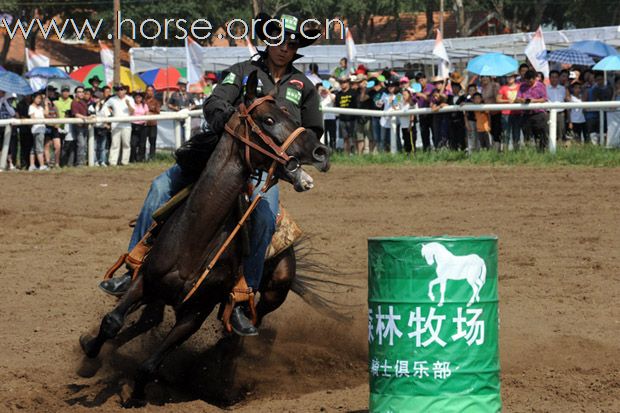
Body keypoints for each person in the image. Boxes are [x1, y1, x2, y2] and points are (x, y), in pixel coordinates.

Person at [99, 12, 324, 337]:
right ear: (268, 40)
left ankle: (244, 295)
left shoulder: (304, 87)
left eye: (290, 44)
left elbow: (312, 132)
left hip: (265, 171)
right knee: (160, 186)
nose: (283, 49)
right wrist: (232, 122)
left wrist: (297, 161)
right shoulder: (243, 72)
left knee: (264, 215)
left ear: (297, 48)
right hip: (220, 159)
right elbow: (215, 103)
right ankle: (134, 265)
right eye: (277, 41)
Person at [515, 70, 548, 150]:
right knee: (527, 136)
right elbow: (517, 98)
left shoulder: (540, 86)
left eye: (530, 80)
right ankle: (530, 153)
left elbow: (544, 99)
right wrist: (522, 100)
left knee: (540, 135)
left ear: (534, 79)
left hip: (538, 114)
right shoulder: (522, 86)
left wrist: (533, 100)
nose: (528, 82)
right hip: (526, 114)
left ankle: (542, 152)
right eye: (526, 80)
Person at [104, 84, 135, 166]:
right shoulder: (112, 99)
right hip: (115, 124)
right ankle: (112, 162)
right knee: (115, 144)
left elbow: (132, 112)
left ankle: (125, 162)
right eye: (118, 90)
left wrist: (128, 105)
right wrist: (109, 112)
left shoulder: (130, 99)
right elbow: (105, 106)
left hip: (126, 125)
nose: (119, 91)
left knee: (126, 144)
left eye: (121, 89)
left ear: (125, 90)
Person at [496, 73, 521, 150]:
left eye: (511, 77)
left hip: (517, 113)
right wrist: (507, 101)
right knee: (506, 134)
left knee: (516, 134)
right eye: (508, 77)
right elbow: (498, 100)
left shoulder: (520, 87)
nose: (509, 78)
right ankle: (505, 151)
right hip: (506, 113)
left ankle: (516, 151)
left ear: (514, 77)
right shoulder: (503, 88)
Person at [335, 75, 358, 155]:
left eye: (344, 82)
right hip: (342, 119)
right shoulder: (338, 94)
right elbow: (336, 106)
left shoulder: (354, 93)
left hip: (352, 119)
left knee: (353, 137)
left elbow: (356, 105)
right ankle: (346, 154)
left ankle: (354, 154)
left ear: (348, 83)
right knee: (345, 138)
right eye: (341, 82)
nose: (342, 84)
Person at [28, 93, 49, 171]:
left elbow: (46, 114)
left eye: (40, 98)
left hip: (42, 129)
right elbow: (32, 118)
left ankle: (32, 165)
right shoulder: (31, 107)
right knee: (39, 147)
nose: (39, 100)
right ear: (33, 98)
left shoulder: (40, 107)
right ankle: (42, 165)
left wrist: (46, 104)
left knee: (34, 148)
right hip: (36, 129)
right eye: (37, 98)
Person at [414, 72, 434, 150]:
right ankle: (427, 152)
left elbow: (433, 100)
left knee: (434, 134)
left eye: (422, 80)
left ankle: (437, 150)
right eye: (418, 81)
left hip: (432, 114)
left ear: (425, 79)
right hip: (422, 115)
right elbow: (413, 101)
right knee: (424, 135)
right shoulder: (416, 90)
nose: (420, 82)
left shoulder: (431, 88)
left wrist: (423, 95)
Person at [70, 86, 90, 166]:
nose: (81, 93)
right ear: (76, 93)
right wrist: (86, 117)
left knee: (84, 145)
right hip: (79, 126)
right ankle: (79, 163)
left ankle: (83, 162)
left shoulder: (83, 102)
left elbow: (86, 113)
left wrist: (90, 116)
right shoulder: (74, 102)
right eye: (79, 92)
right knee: (81, 145)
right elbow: (76, 114)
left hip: (85, 126)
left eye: (82, 92)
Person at [480, 76, 501, 151]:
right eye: (482, 77)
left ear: (489, 77)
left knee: (496, 132)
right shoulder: (482, 88)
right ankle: (492, 150)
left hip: (496, 113)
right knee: (490, 132)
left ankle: (497, 151)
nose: (484, 78)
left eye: (486, 76)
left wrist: (495, 88)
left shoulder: (495, 85)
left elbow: (498, 99)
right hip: (487, 114)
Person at [547, 70, 568, 142]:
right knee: (549, 132)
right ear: (549, 78)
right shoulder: (545, 88)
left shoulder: (563, 88)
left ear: (558, 78)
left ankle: (560, 148)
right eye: (552, 77)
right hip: (549, 113)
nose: (554, 79)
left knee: (561, 132)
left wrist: (566, 88)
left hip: (560, 113)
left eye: (556, 77)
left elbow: (568, 99)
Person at [54, 86, 73, 164]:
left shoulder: (72, 101)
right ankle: (58, 162)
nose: (65, 93)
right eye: (64, 91)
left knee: (68, 146)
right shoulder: (55, 102)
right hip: (58, 126)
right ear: (61, 92)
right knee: (58, 146)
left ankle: (66, 162)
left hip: (69, 127)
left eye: (67, 91)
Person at [0, 90, 17, 170]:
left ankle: (10, 163)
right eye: (1, 92)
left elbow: (13, 113)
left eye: (4, 92)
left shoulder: (7, 101)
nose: (3, 94)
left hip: (7, 126)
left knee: (8, 146)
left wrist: (5, 102)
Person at [130, 92, 149, 162]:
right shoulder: (132, 105)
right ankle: (132, 158)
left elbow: (147, 114)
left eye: (139, 97)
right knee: (133, 143)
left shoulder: (145, 105)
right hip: (134, 125)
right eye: (137, 97)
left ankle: (140, 158)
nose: (138, 99)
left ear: (142, 98)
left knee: (142, 143)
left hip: (142, 125)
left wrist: (146, 122)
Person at [144, 85, 161, 160]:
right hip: (144, 124)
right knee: (143, 142)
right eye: (148, 90)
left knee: (152, 141)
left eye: (151, 90)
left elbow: (158, 112)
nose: (149, 92)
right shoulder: (143, 101)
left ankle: (152, 157)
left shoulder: (156, 102)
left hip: (152, 124)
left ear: (153, 92)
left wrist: (150, 113)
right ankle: (142, 157)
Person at [319, 85, 336, 149]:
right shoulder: (319, 97)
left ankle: (333, 149)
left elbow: (334, 100)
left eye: (325, 89)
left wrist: (328, 92)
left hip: (331, 118)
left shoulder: (332, 95)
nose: (324, 91)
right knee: (324, 135)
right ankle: (324, 149)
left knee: (332, 135)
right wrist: (320, 91)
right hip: (323, 119)